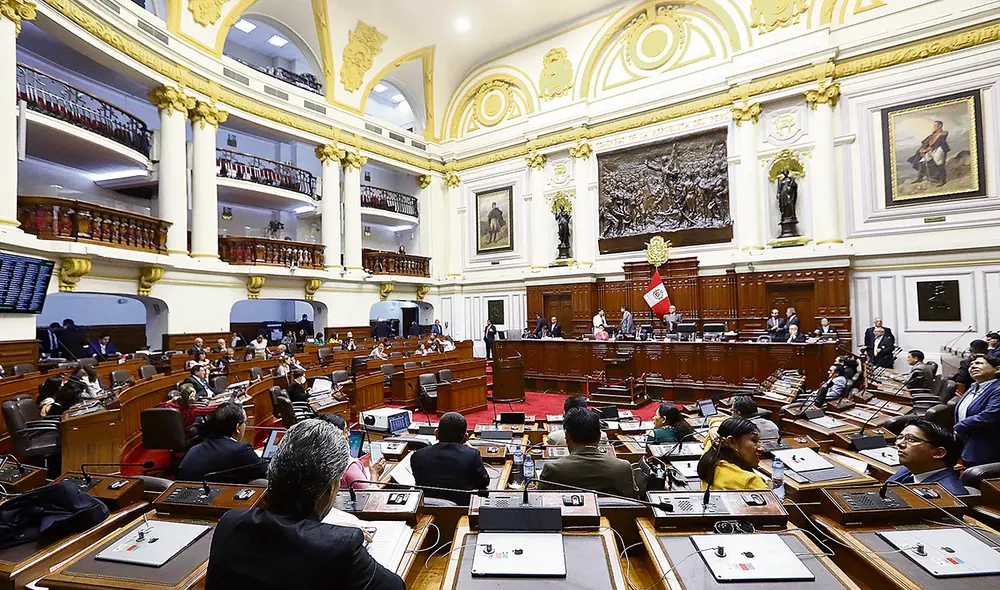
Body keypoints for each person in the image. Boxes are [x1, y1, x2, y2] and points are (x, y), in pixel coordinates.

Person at [204, 419, 405, 590]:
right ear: (330, 488)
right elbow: (396, 587)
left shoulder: (230, 522)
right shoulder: (343, 545)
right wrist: (333, 535)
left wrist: (327, 533)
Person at [538, 408, 636, 498]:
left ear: (567, 436)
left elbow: (540, 502)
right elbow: (634, 501)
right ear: (599, 436)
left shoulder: (553, 470)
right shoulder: (623, 468)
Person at [410, 412, 490, 505]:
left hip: (425, 508)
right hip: (461, 509)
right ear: (466, 437)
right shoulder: (472, 455)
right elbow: (485, 482)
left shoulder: (417, 455)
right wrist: (472, 451)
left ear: (436, 433)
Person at [177, 402, 266, 484]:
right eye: (245, 422)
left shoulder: (193, 449)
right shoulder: (240, 450)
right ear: (237, 427)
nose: (245, 426)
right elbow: (266, 472)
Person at [888, 420, 966, 497]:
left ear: (938, 453)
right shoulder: (913, 468)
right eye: (900, 437)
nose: (899, 443)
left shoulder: (949, 495)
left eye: (911, 440)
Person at [954, 354, 1000, 467]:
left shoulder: (997, 388)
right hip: (969, 443)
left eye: (979, 363)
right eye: (971, 365)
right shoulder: (974, 387)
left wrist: (959, 427)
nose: (973, 366)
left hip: (988, 448)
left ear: (997, 369)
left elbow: (990, 416)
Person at [697, 418, 768, 491]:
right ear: (731, 442)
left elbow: (716, 420)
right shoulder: (750, 481)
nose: (761, 449)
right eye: (754, 440)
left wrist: (713, 428)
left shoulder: (710, 452)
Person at [320, 414, 382, 492]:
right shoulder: (348, 466)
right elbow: (369, 495)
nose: (349, 434)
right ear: (338, 436)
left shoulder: (317, 458)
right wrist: (375, 474)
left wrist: (359, 462)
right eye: (346, 431)